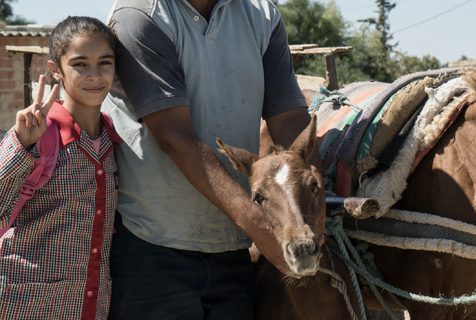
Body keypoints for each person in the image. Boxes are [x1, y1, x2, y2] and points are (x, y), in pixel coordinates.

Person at [103, 0, 314, 319]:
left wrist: (310, 212)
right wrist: (262, 231)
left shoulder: (262, 15)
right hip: (151, 243)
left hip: (229, 244)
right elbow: (175, 137)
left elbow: (289, 119)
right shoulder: (141, 15)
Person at [0, 16, 120, 319]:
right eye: (80, 64)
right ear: (56, 70)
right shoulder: (39, 136)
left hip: (88, 304)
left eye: (104, 62)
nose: (94, 74)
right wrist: (20, 145)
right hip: (23, 304)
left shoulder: (112, 141)